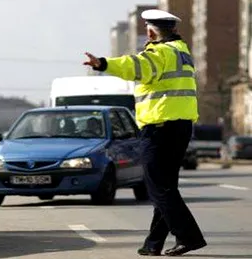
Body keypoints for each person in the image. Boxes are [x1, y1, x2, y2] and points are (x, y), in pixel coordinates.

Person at [83, 9, 206, 256]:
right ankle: (153, 244)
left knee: (158, 187)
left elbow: (135, 66)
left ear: (150, 32)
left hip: (160, 127)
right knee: (165, 187)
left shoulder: (159, 53)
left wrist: (104, 63)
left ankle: (189, 236)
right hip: (180, 126)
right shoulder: (181, 52)